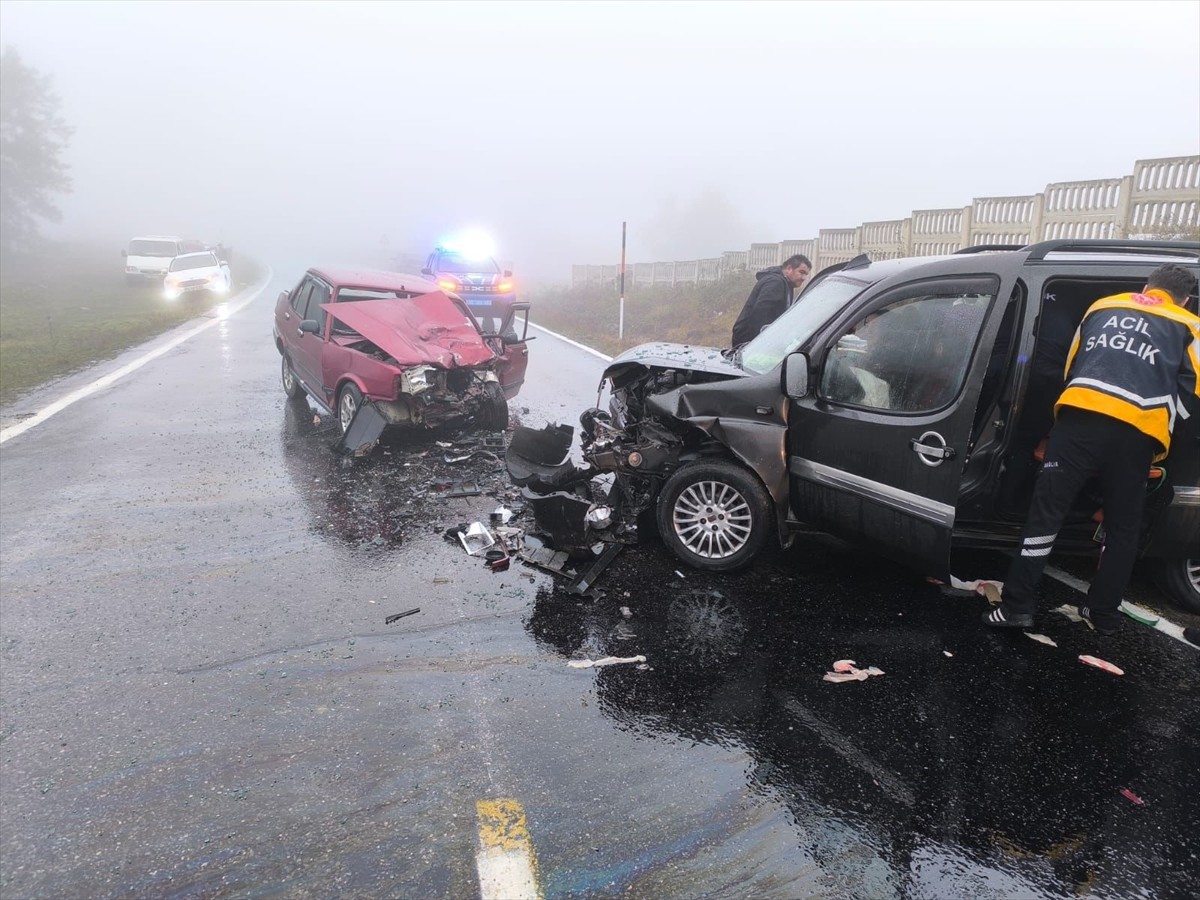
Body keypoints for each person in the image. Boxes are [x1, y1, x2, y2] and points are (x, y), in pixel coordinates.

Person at [984, 264, 1200, 634]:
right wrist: (1160, 437)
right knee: (1122, 530)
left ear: (1147, 285)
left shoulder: (1101, 306)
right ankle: (1103, 615)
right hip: (1136, 434)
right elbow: (1191, 395)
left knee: (1044, 518)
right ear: (1186, 298)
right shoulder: (1190, 324)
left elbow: (1073, 368)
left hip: (1079, 423)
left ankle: (1017, 608)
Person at [731, 254, 811, 348]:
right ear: (789, 269)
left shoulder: (785, 283)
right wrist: (760, 345)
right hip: (748, 342)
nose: (803, 278)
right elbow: (760, 313)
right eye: (801, 272)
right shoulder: (776, 283)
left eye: (806, 274)